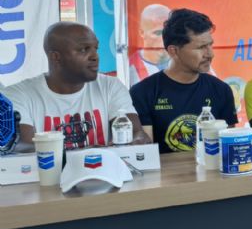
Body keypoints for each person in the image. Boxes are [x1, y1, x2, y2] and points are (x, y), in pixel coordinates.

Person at [3, 22, 150, 150]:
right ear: (56, 57)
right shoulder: (18, 94)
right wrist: (82, 154)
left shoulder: (110, 86)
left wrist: (138, 141)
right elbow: (22, 146)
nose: (95, 56)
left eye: (95, 48)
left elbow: (136, 132)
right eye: (83, 50)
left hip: (104, 179)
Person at [130, 9, 237, 154]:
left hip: (213, 173)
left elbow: (230, 148)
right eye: (201, 47)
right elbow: (145, 154)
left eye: (210, 45)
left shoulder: (221, 90)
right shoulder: (142, 93)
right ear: (173, 51)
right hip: (165, 176)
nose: (210, 54)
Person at [129, 4, 171, 85]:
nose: (164, 38)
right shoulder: (128, 68)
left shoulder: (186, 64)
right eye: (158, 33)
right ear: (142, 33)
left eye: (168, 32)